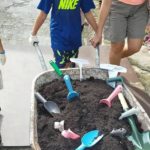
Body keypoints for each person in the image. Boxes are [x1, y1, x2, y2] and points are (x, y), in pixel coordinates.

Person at [29, 0, 97, 68]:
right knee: (61, 65)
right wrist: (33, 34)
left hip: (74, 36)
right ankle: (58, 73)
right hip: (58, 36)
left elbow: (88, 13)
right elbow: (43, 13)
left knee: (71, 66)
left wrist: (97, 33)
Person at [91, 0, 150, 65]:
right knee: (117, 47)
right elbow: (106, 4)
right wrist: (98, 33)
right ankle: (114, 72)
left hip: (140, 8)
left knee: (134, 47)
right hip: (117, 8)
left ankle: (113, 59)